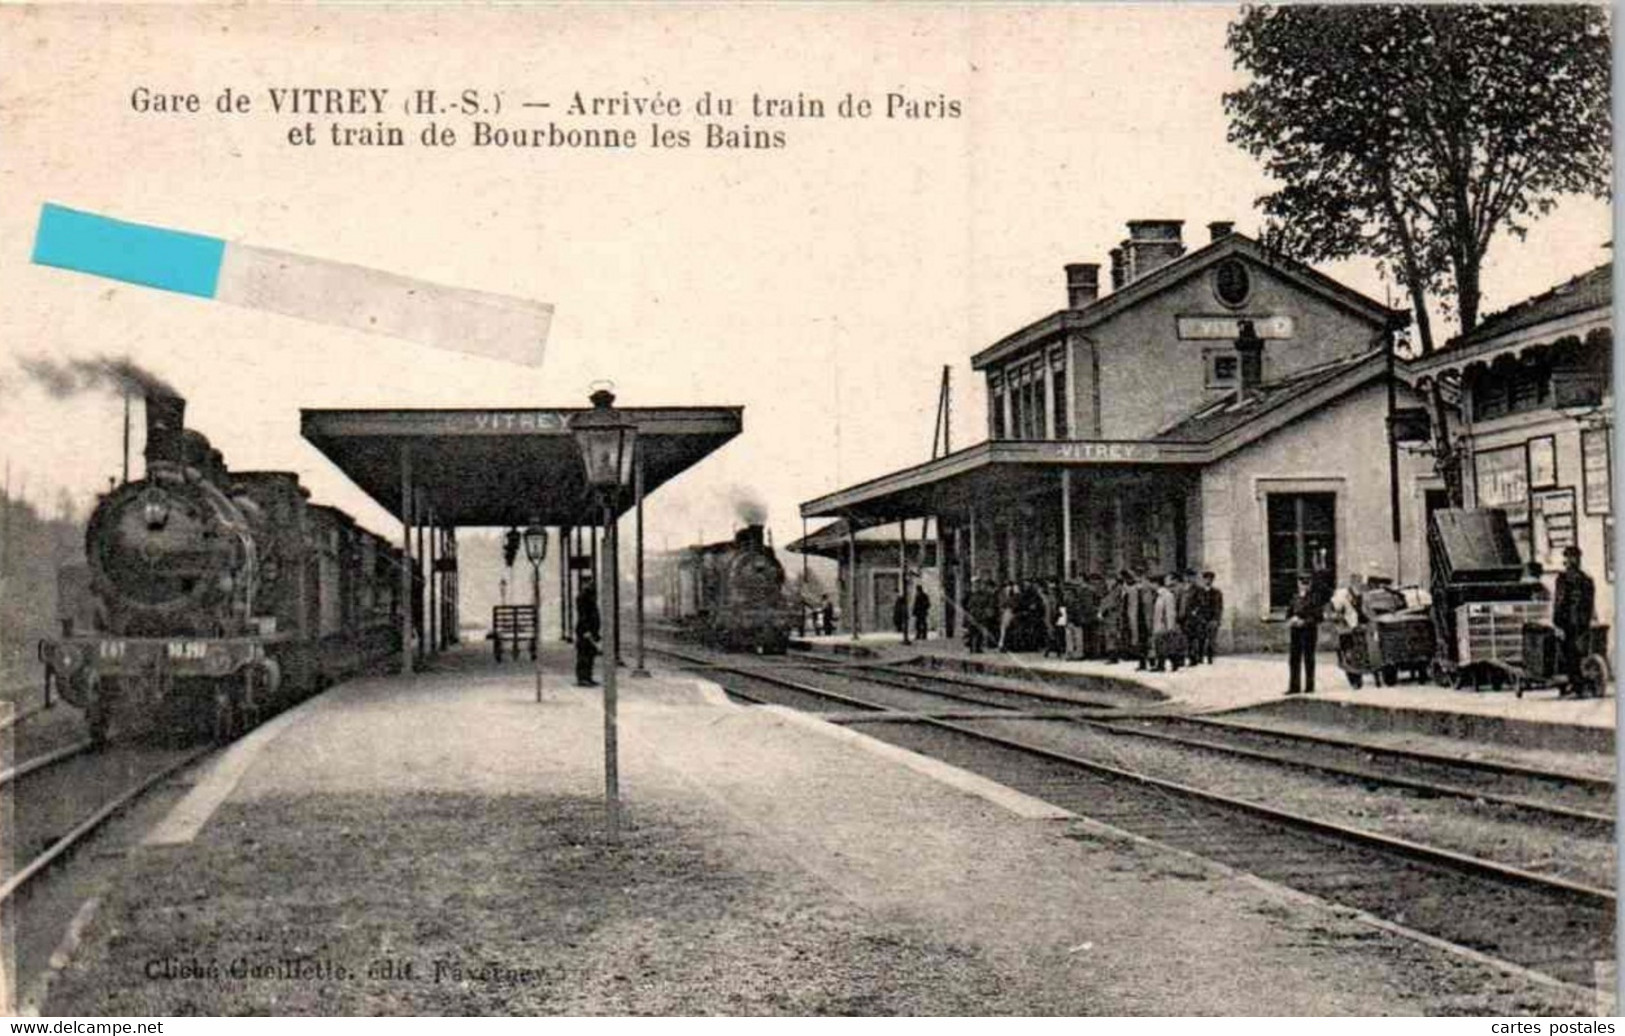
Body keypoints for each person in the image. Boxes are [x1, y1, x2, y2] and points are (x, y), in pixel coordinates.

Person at [1552, 545, 1597, 698]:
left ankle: (1576, 686)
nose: (1569, 560)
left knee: (1570, 654)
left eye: (1570, 557)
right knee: (1575, 654)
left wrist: (1557, 623)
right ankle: (1576, 685)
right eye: (1569, 557)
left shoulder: (1565, 580)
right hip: (1578, 623)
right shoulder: (1586, 580)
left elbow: (1559, 602)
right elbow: (1589, 604)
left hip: (1571, 623)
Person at [1286, 572, 1322, 695]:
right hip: (1295, 632)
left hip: (1309, 632)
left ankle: (1309, 686)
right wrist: (1291, 620)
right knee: (1294, 659)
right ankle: (1294, 686)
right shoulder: (1294, 597)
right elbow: (1289, 613)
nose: (1303, 586)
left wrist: (1304, 622)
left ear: (1310, 584)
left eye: (1306, 583)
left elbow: (1318, 617)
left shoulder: (1315, 598)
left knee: (1308, 659)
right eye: (1301, 583)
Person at [574, 574, 601, 687]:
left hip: (590, 630)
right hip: (585, 630)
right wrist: (586, 630)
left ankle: (587, 677)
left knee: (589, 654)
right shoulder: (583, 597)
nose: (591, 584)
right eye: (589, 582)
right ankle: (583, 678)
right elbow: (583, 615)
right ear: (583, 584)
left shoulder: (588, 596)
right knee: (584, 655)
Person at [1152, 574, 1182, 672]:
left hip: (1164, 626)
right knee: (1160, 646)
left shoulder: (1167, 595)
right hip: (1158, 625)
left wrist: (1170, 627)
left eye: (1152, 583)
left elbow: (1170, 612)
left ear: (1156, 584)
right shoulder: (1158, 595)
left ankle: (1172, 664)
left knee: (1166, 646)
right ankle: (1162, 665)